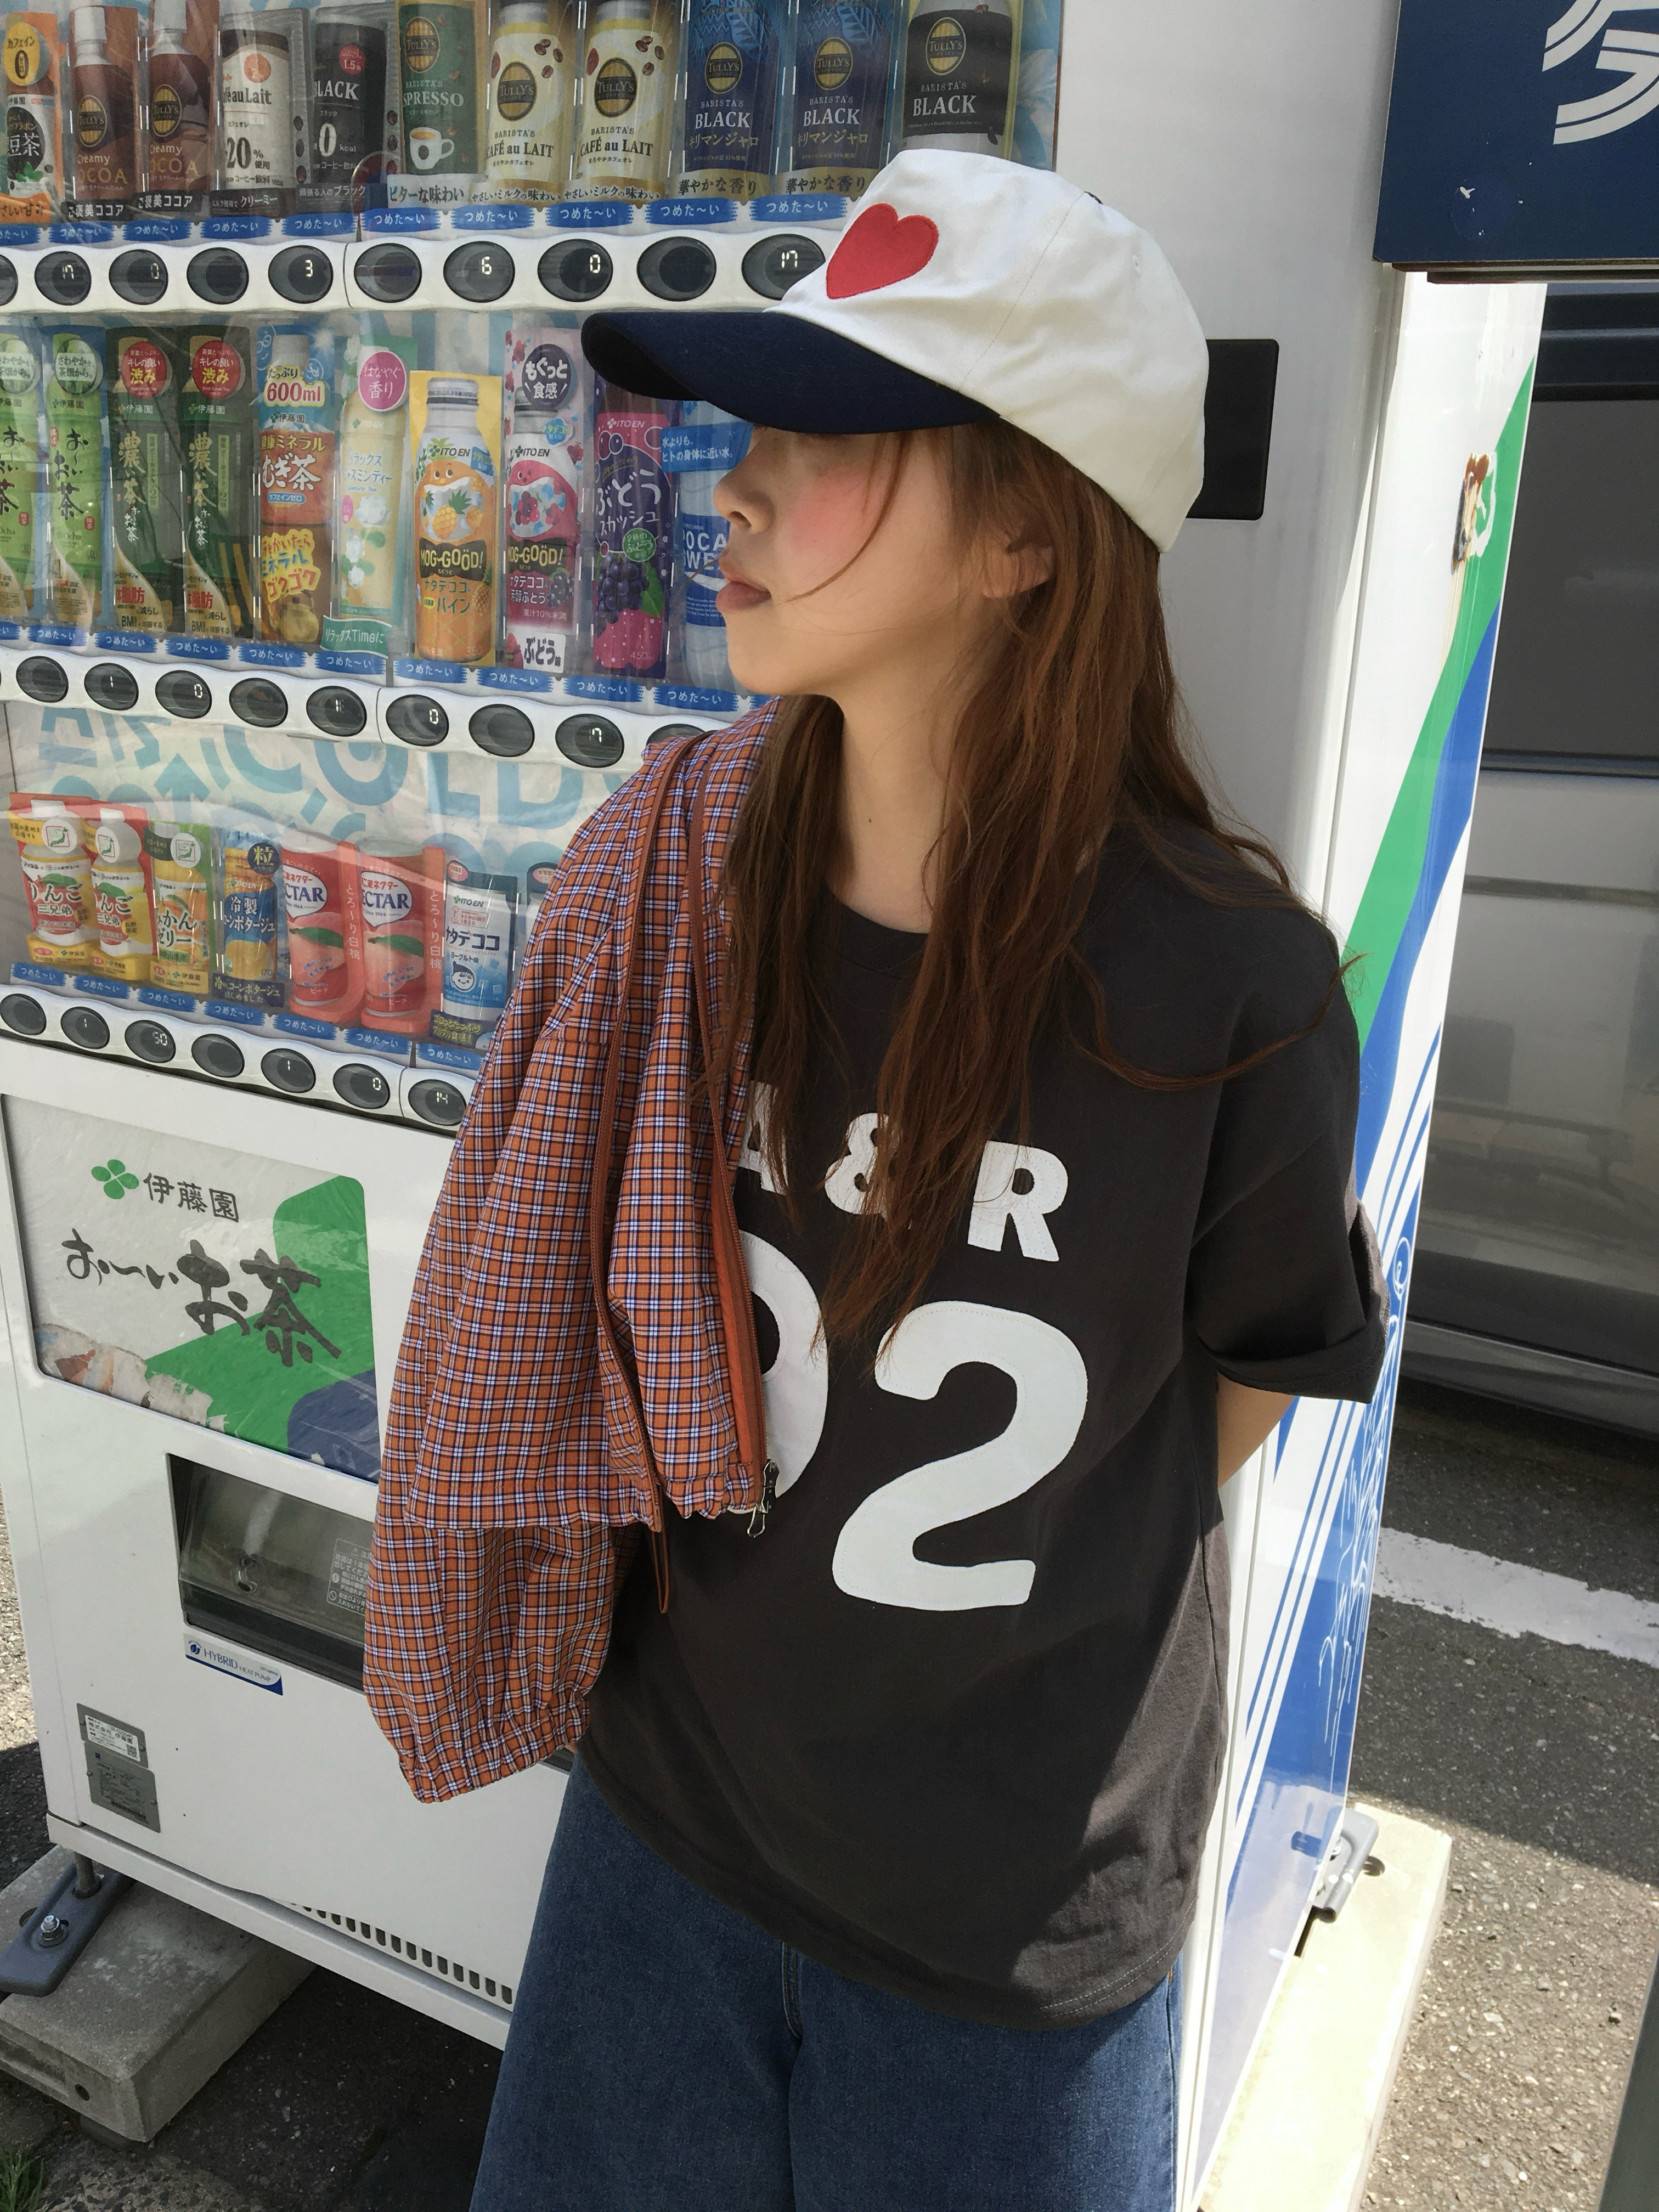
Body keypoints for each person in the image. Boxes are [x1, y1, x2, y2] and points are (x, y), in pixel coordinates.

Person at [366, 151, 1386, 2212]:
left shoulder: (1229, 984)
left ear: (1029, 533)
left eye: (826, 440)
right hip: (665, 1827)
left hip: (1013, 1922)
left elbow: (1243, 1391)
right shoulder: (686, 877)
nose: (734, 489)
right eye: (749, 430)